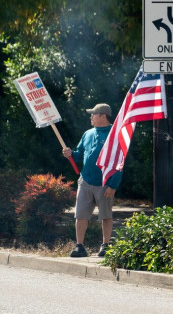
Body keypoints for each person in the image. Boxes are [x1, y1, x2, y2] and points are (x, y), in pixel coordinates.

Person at [62, 103, 122, 258]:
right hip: (86, 180)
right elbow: (79, 154)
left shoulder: (115, 135)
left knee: (106, 215)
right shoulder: (87, 134)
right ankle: (79, 246)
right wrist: (70, 153)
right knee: (80, 215)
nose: (91, 117)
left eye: (93, 114)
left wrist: (113, 185)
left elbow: (119, 162)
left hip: (105, 183)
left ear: (103, 116)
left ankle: (106, 246)